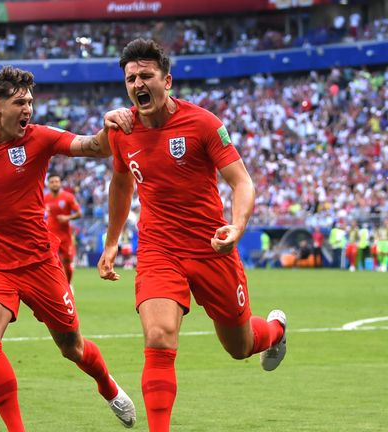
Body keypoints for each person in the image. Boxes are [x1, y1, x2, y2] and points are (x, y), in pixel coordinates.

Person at [0, 65, 137, 431]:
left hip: (41, 265)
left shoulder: (39, 139)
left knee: (72, 348)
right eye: (20, 102)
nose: (28, 109)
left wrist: (109, 126)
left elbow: (92, 147)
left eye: (30, 101)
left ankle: (108, 388)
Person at [97, 39, 286, 432]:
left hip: (211, 248)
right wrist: (112, 240)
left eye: (146, 75)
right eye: (130, 78)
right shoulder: (121, 130)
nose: (137, 83)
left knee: (240, 347)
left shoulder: (203, 123)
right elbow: (120, 185)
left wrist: (236, 226)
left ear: (167, 80)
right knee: (159, 337)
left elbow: (242, 182)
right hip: (158, 249)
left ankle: (276, 329)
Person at [44, 173, 82, 285]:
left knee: (67, 262)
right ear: (48, 184)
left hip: (65, 236)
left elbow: (79, 213)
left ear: (60, 183)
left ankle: (68, 285)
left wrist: (67, 217)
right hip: (51, 235)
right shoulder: (45, 198)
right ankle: (56, 286)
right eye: (52, 182)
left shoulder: (68, 197)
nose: (54, 184)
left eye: (56, 181)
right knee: (51, 262)